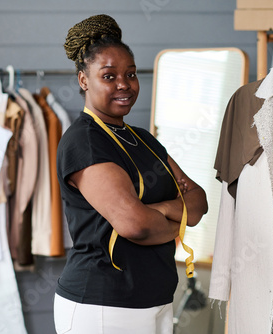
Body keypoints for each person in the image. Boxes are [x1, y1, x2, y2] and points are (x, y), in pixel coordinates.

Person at [54, 14, 208, 334]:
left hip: (158, 297)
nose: (124, 84)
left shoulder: (143, 139)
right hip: (104, 303)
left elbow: (198, 202)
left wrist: (160, 211)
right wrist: (169, 218)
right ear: (84, 80)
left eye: (131, 74)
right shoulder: (85, 141)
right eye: (109, 76)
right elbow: (134, 225)